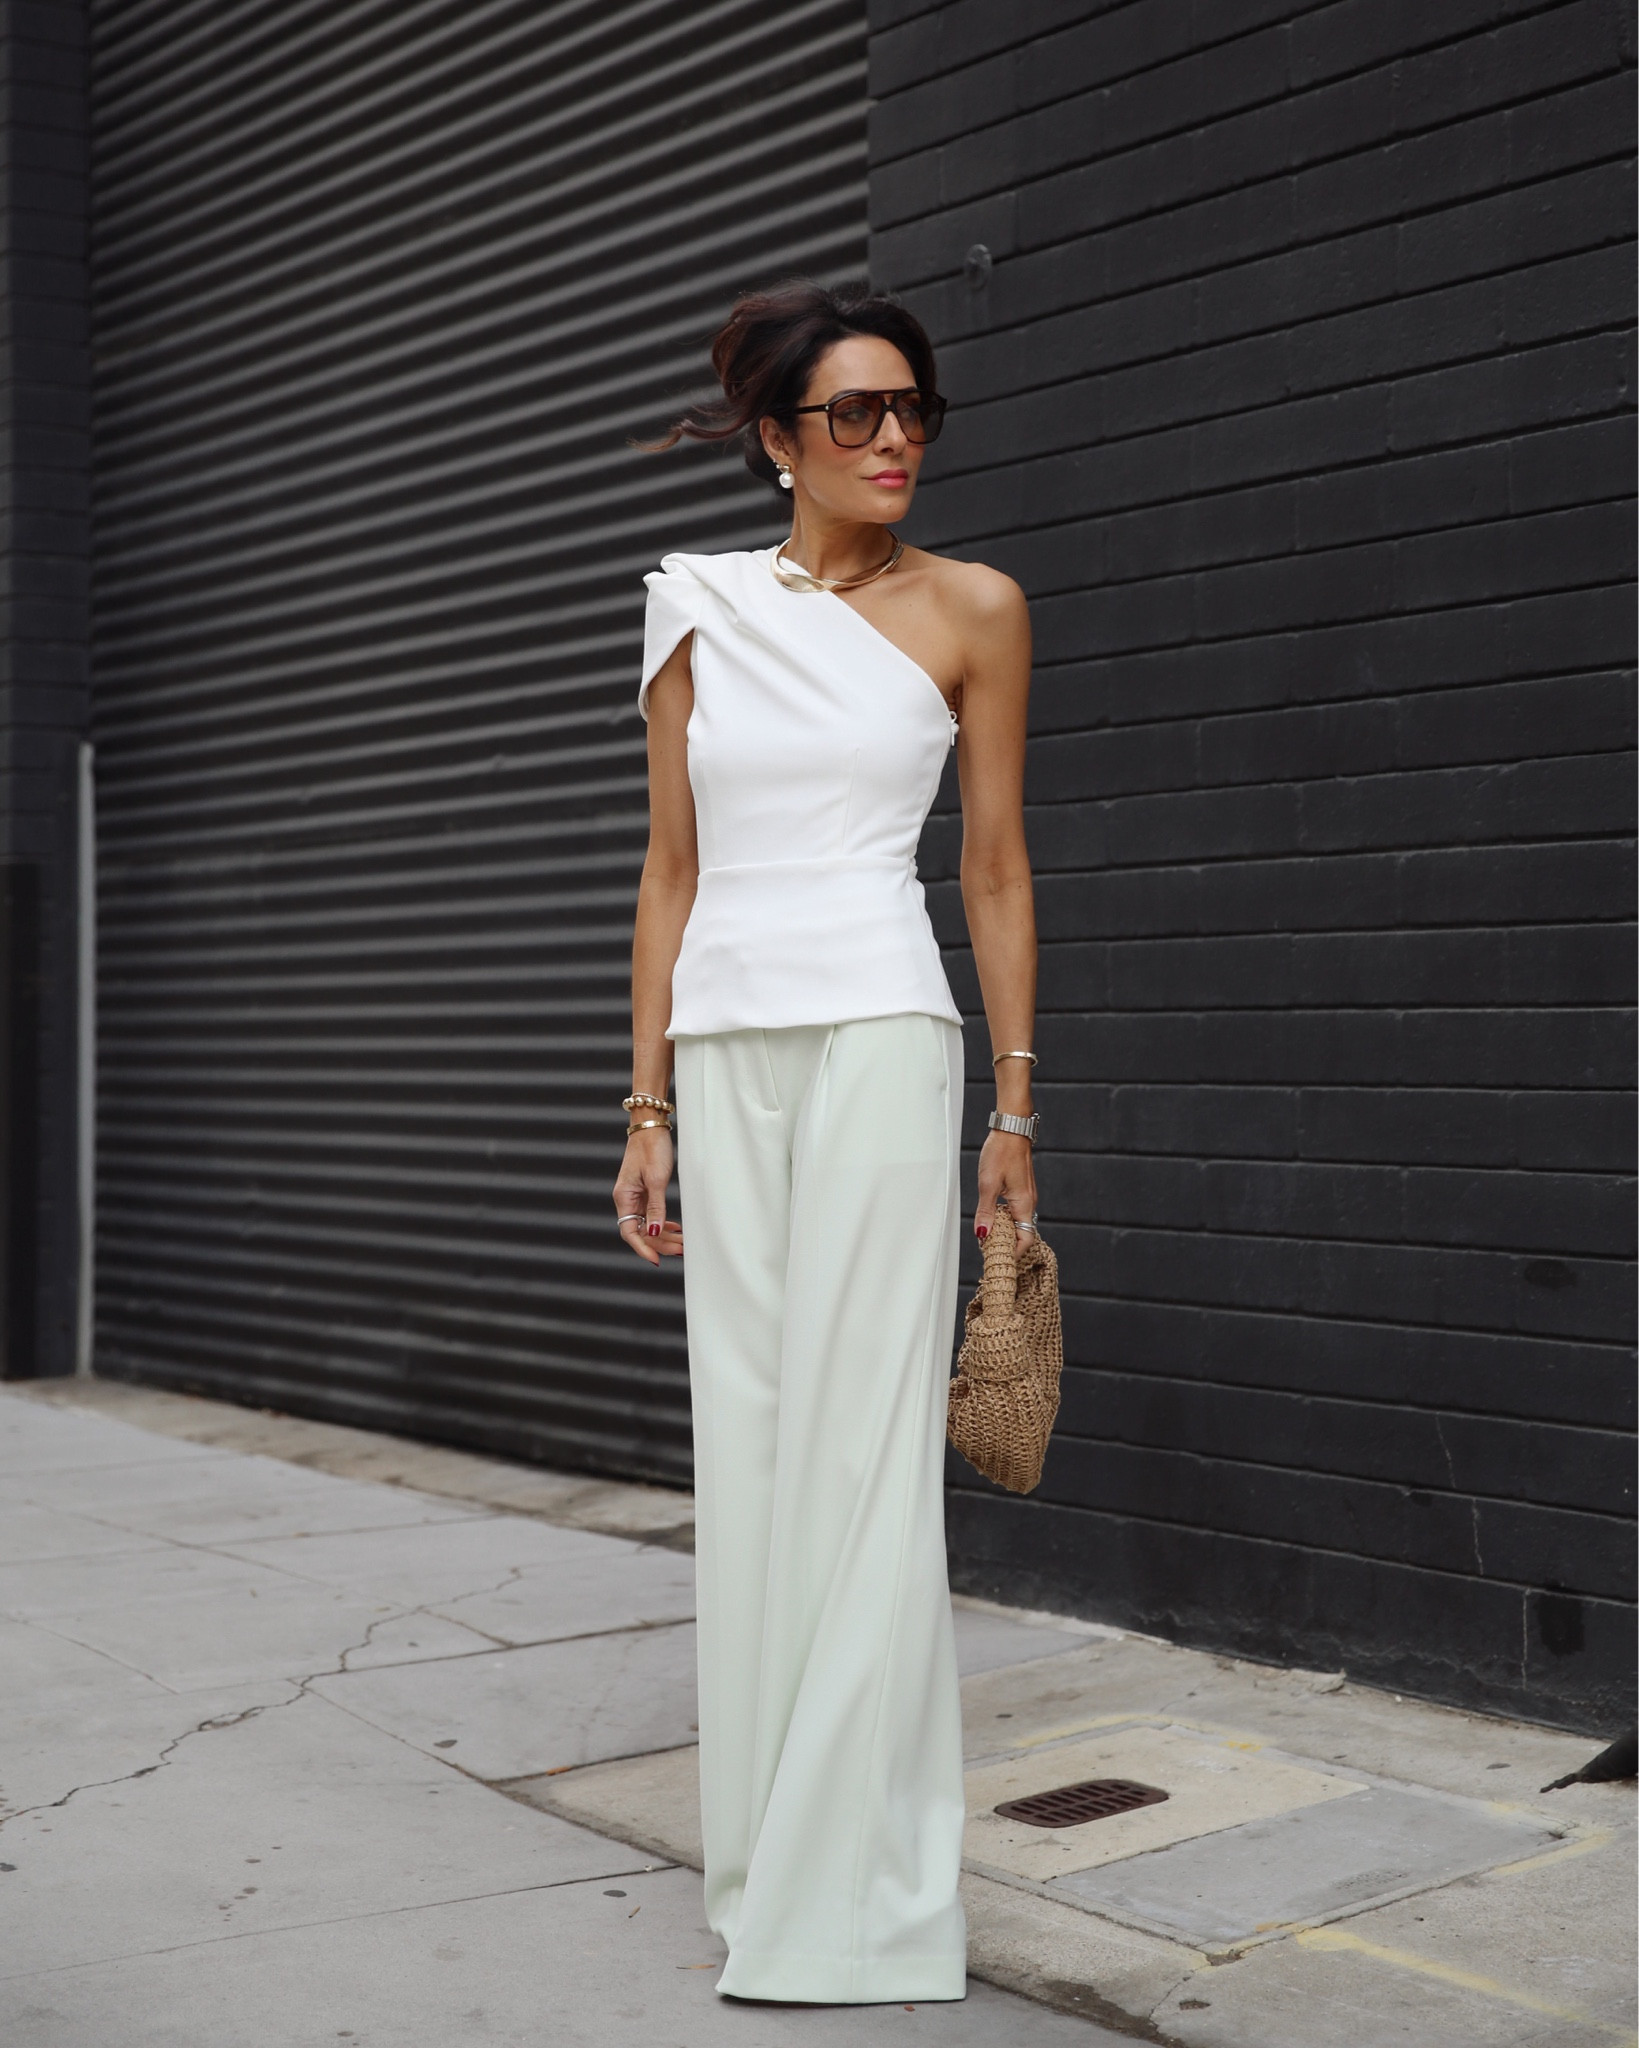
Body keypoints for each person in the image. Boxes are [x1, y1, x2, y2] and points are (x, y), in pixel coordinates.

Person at [611, 279, 1038, 2005]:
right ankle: (762, 1868)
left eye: (911, 408)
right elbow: (671, 870)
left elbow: (992, 866)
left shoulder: (975, 608)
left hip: (880, 1035)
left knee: (865, 1463)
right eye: (854, 412)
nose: (892, 438)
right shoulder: (695, 608)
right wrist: (644, 1103)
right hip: (725, 1049)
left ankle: (858, 1909)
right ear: (780, 440)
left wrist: (1016, 1106)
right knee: (756, 1458)